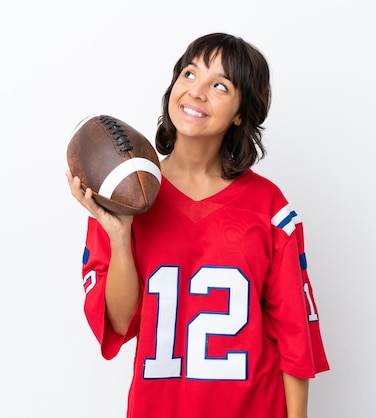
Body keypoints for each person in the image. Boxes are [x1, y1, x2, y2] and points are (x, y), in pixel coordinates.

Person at [66, 32, 329, 418]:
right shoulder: (124, 196)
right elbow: (119, 324)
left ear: (241, 112)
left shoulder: (269, 207)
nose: (196, 92)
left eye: (219, 85)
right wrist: (120, 236)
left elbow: (294, 337)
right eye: (189, 74)